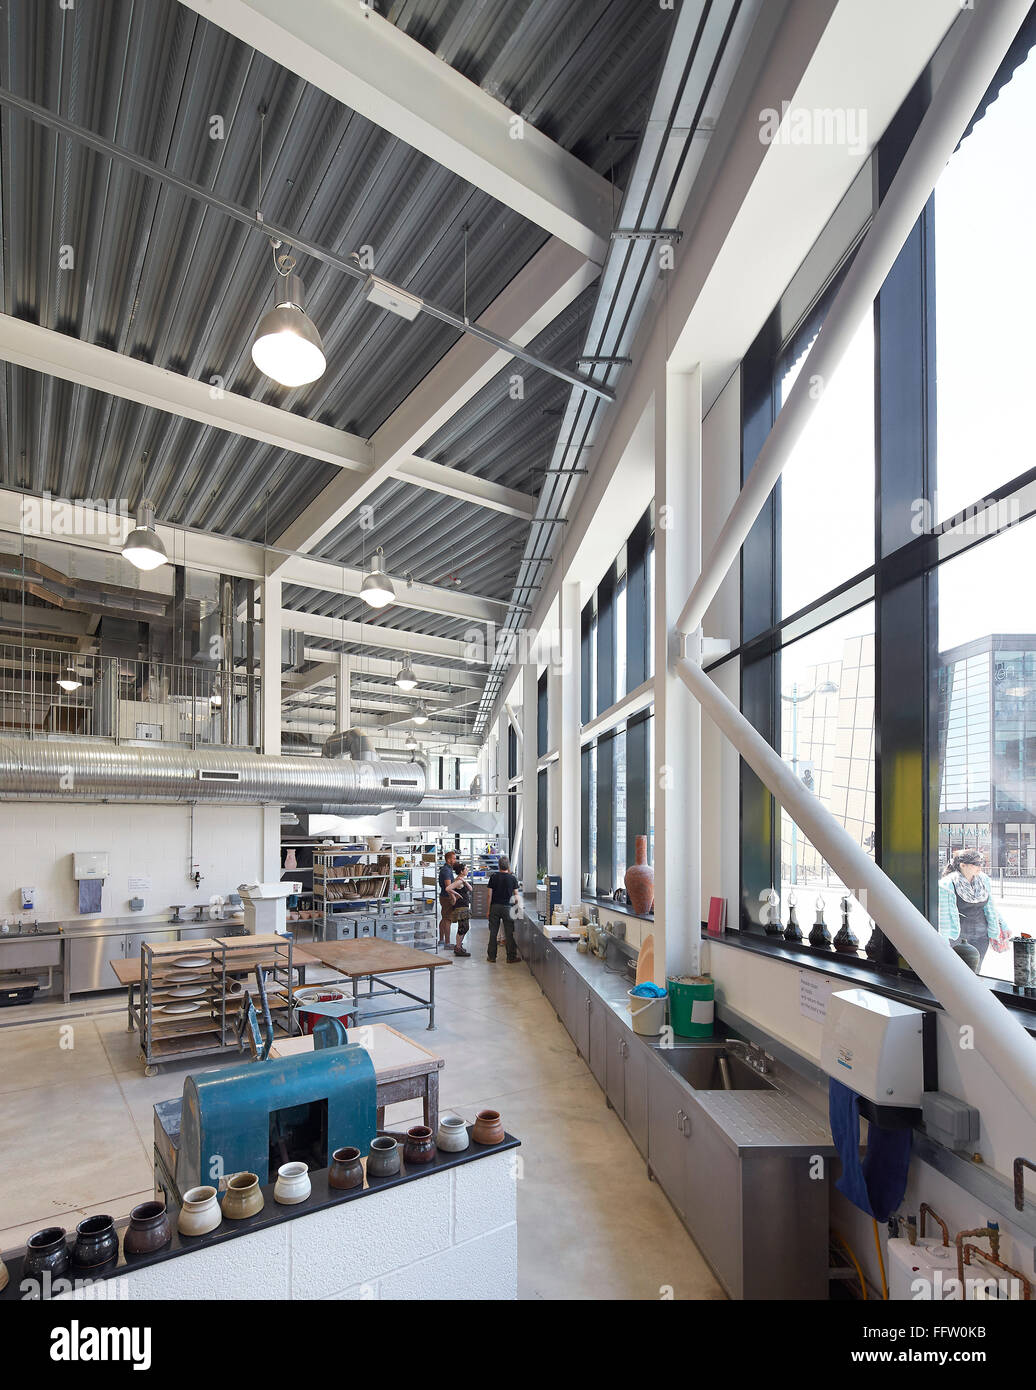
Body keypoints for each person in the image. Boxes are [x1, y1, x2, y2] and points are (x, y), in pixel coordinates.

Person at [937, 850, 1010, 968]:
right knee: (958, 969)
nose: (980, 867)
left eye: (981, 863)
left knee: (976, 968)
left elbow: (990, 906)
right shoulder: (947, 884)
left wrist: (1003, 925)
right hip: (958, 935)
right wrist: (944, 940)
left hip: (982, 935)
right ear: (963, 865)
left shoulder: (983, 880)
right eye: (975, 864)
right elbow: (943, 914)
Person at [487, 856, 521, 963]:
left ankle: (492, 957)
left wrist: (488, 910)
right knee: (509, 933)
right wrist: (517, 908)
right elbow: (516, 896)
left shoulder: (493, 877)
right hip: (507, 908)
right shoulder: (512, 878)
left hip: (495, 907)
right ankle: (511, 957)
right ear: (508, 866)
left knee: (493, 932)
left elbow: (489, 895)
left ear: (498, 865)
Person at [450, 863, 472, 958]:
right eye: (466, 869)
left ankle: (458, 946)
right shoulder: (458, 881)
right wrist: (456, 896)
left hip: (464, 906)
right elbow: (448, 888)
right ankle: (458, 948)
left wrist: (464, 881)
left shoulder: (461, 880)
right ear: (462, 871)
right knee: (463, 928)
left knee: (464, 927)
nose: (467, 870)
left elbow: (470, 888)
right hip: (461, 907)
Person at [438, 850, 459, 947]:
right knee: (447, 920)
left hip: (444, 896)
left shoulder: (447, 869)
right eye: (454, 858)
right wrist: (453, 897)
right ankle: (447, 943)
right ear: (449, 859)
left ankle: (441, 940)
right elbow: (448, 887)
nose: (455, 860)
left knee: (444, 918)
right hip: (447, 897)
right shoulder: (446, 870)